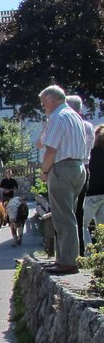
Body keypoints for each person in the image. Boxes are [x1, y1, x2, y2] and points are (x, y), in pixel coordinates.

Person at [38, 85, 88, 275]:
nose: (43, 107)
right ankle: (66, 259)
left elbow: (51, 150)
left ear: (50, 99)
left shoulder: (57, 117)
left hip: (62, 169)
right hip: (78, 167)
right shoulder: (74, 116)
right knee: (69, 215)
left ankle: (67, 262)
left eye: (43, 103)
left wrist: (44, 171)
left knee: (63, 218)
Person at [66, 95, 95, 255]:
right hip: (85, 168)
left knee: (67, 213)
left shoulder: (71, 126)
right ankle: (81, 252)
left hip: (70, 168)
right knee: (79, 213)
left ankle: (70, 253)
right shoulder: (88, 126)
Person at [85, 124, 104, 246]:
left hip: (91, 195)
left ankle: (86, 253)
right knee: (102, 229)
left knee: (81, 225)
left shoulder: (91, 154)